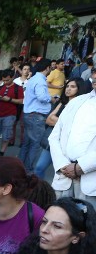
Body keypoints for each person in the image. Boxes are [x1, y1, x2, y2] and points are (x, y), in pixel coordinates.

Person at [48, 70, 96, 204]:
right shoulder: (77, 102)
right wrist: (63, 165)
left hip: (91, 181)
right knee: (58, 220)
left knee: (87, 223)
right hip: (64, 177)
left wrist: (81, 167)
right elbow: (54, 137)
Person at [34, 77, 89, 178]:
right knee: (39, 167)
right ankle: (41, 192)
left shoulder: (82, 106)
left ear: (79, 89)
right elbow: (49, 119)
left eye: (72, 87)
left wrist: (58, 121)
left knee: (63, 174)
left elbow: (75, 124)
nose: (68, 89)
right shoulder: (62, 102)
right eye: (67, 86)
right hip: (52, 142)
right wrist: (64, 123)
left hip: (68, 144)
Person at [18, 59, 53, 172]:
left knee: (27, 143)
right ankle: (27, 169)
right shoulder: (40, 80)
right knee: (35, 144)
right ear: (47, 68)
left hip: (29, 114)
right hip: (36, 116)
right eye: (51, 67)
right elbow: (42, 97)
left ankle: (20, 167)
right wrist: (51, 98)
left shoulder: (33, 79)